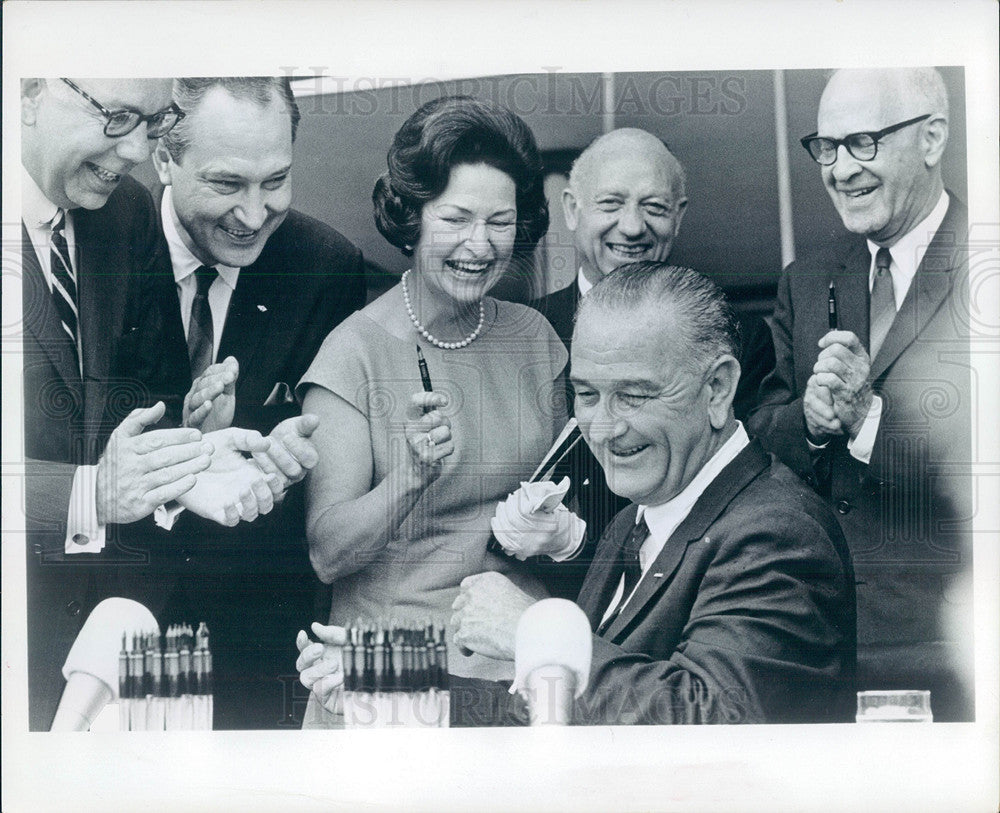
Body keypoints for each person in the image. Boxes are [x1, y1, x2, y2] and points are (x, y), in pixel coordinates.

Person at [450, 262, 856, 724]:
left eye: (634, 396)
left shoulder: (778, 533)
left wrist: (534, 635)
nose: (603, 429)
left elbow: (716, 720)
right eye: (587, 395)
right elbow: (574, 711)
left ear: (718, 389)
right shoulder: (636, 517)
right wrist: (393, 683)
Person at [295, 95, 565, 726]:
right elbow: (327, 554)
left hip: (515, 665)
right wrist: (411, 478)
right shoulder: (352, 354)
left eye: (500, 222)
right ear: (410, 218)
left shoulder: (535, 337)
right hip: (386, 679)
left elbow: (578, 508)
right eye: (456, 219)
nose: (480, 244)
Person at [19, 77, 275, 730]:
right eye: (116, 117)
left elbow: (139, 408)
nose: (136, 149)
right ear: (26, 94)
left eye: (152, 121)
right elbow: (96, 481)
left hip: (100, 656)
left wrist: (186, 448)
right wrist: (89, 493)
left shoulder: (124, 214)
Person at [134, 76, 366, 729]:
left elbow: (322, 485)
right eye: (228, 184)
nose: (255, 213)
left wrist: (291, 464)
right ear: (162, 158)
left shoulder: (324, 266)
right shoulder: (102, 247)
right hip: (104, 622)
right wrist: (183, 450)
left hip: (253, 647)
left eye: (276, 181)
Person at [749, 68, 973, 722]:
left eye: (864, 142)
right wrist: (815, 423)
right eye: (827, 146)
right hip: (812, 640)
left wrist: (868, 419)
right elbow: (761, 433)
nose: (840, 169)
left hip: (949, 645)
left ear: (932, 138)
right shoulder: (808, 278)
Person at [527, 129, 773, 600]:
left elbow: (731, 501)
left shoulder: (736, 339)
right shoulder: (526, 333)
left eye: (654, 207)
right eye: (611, 204)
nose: (633, 227)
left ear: (678, 217)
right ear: (572, 209)